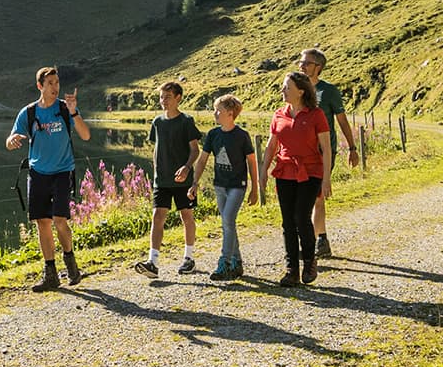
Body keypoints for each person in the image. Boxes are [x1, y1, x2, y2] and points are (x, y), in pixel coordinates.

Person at [6, 66, 92, 290]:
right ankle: (50, 273)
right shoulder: (29, 112)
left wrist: (74, 111)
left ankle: (70, 262)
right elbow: (10, 140)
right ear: (40, 86)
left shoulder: (65, 109)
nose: (55, 87)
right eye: (50, 83)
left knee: (60, 220)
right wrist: (13, 139)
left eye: (57, 82)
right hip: (38, 173)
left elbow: (85, 135)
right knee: (42, 222)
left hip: (63, 172)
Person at [259, 71, 331, 285]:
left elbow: (326, 149)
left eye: (287, 87)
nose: (283, 90)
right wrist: (263, 172)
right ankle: (291, 269)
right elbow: (272, 145)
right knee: (288, 222)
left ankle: (309, 262)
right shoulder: (279, 114)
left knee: (301, 216)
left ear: (300, 91)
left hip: (310, 172)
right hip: (285, 171)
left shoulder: (316, 115)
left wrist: (326, 179)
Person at [134, 80, 204, 276]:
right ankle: (152, 262)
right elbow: (156, 149)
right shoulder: (157, 122)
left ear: (178, 98)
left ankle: (189, 258)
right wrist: (156, 172)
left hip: (183, 180)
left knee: (186, 216)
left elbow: (194, 150)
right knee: (157, 216)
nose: (163, 101)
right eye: (161, 97)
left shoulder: (186, 121)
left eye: (167, 97)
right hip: (162, 181)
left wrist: (187, 167)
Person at [298, 48, 358, 258]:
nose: (302, 66)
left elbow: (342, 121)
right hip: (300, 154)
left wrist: (352, 148)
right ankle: (318, 238)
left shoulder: (329, 91)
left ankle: (316, 241)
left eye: (306, 63)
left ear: (318, 67)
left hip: (323, 153)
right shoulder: (297, 90)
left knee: (317, 196)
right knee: (301, 198)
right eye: (301, 62)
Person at [201, 93, 260, 281]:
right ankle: (237, 262)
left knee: (227, 219)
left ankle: (224, 263)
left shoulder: (242, 136)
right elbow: (202, 159)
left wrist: (255, 189)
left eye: (218, 110)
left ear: (230, 113)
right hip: (220, 185)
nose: (215, 113)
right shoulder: (213, 134)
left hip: (237, 186)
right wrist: (194, 181)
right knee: (228, 224)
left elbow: (252, 162)